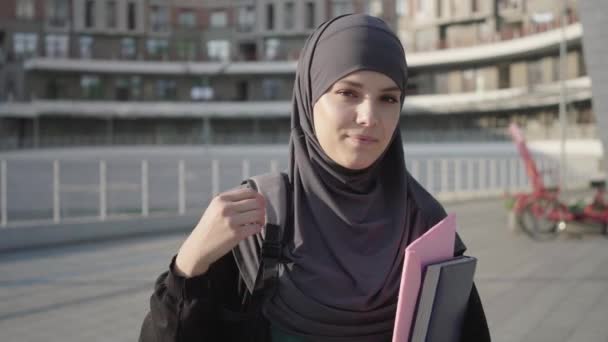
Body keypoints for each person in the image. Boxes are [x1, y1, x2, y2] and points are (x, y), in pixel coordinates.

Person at [139, 14, 491, 342]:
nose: (369, 116)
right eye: (348, 93)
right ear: (309, 97)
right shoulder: (256, 217)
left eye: (388, 98)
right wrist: (190, 264)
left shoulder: (425, 224)